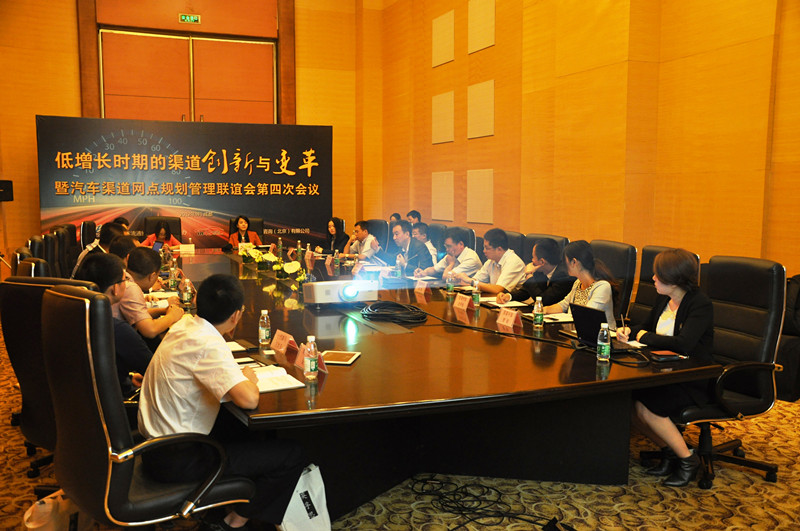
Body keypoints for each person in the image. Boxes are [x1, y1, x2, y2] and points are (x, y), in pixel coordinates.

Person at [138, 274, 306, 529]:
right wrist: (248, 379)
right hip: (179, 459)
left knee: (243, 431)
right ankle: (232, 523)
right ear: (236, 315)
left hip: (153, 447)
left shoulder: (184, 326)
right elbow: (249, 399)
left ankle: (224, 505)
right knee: (292, 454)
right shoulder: (208, 342)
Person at [617, 248, 713, 487]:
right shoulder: (663, 298)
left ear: (674, 279)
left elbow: (684, 344)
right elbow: (646, 327)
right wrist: (629, 331)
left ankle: (688, 460)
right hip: (664, 372)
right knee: (631, 403)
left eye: (658, 275)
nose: (653, 279)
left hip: (692, 377)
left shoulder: (700, 304)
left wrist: (644, 336)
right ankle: (669, 452)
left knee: (649, 407)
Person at [74, 253, 152, 397]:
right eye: (124, 280)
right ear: (115, 288)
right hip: (123, 402)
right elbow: (156, 372)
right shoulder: (118, 330)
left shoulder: (70, 320)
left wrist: (125, 377)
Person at [114, 246, 184, 342]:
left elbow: (138, 315)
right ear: (152, 276)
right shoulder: (131, 288)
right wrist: (172, 316)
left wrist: (163, 311)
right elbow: (150, 330)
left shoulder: (123, 278)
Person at [544, 240, 617, 329]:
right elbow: (564, 305)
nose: (563, 266)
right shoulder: (578, 283)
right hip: (578, 331)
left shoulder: (602, 287)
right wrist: (544, 310)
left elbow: (586, 315)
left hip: (602, 336)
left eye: (565, 261)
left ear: (574, 262)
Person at [495, 238, 574, 306]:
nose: (532, 260)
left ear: (542, 262)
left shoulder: (564, 276)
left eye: (533, 257)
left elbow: (544, 301)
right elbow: (526, 292)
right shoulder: (540, 270)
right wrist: (508, 296)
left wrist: (529, 276)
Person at [453, 228, 525, 295]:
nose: (484, 251)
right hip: (495, 299)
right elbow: (477, 280)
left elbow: (498, 289)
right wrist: (463, 280)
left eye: (487, 248)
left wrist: (471, 281)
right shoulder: (491, 261)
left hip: (516, 302)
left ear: (499, 249)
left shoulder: (513, 262)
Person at [414, 227, 482, 279]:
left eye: (449, 246)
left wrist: (451, 264)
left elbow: (446, 277)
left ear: (461, 244)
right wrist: (423, 272)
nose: (447, 249)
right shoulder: (452, 254)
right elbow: (435, 269)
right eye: (446, 246)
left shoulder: (471, 259)